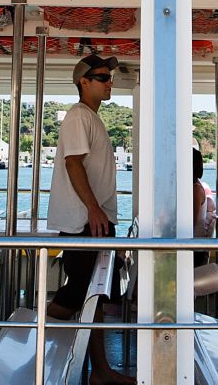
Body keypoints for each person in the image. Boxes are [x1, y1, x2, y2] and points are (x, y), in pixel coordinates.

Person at [45, 54, 134, 385]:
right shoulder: (78, 117)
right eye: (101, 76)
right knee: (75, 296)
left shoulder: (92, 118)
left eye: (109, 76)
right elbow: (73, 164)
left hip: (96, 220)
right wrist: (94, 210)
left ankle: (100, 370)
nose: (109, 81)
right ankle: (30, 343)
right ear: (83, 81)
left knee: (93, 299)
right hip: (86, 222)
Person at [192, 147, 217, 262]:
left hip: (194, 249)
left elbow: (191, 222)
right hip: (191, 245)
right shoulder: (195, 186)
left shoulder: (196, 189)